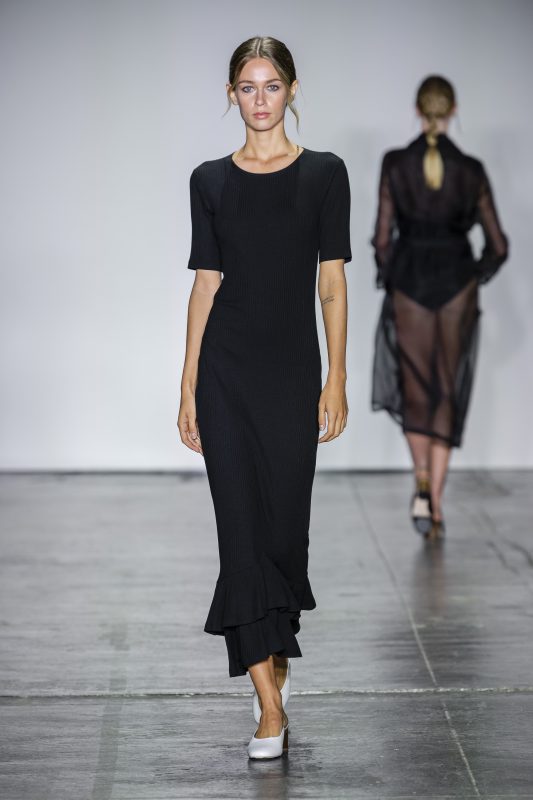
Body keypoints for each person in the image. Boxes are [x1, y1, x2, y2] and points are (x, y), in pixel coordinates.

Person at [177, 36, 351, 759]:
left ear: (291, 89)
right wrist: (187, 383)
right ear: (231, 94)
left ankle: (274, 659)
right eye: (246, 87)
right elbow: (205, 283)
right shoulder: (209, 180)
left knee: (284, 535)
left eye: (270, 85)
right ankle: (268, 708)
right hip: (226, 376)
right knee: (241, 536)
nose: (259, 99)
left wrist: (336, 377)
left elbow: (332, 280)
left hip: (290, 377)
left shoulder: (324, 174)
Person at [371, 75, 509, 541]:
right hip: (455, 288)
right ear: (453, 111)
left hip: (409, 285)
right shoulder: (471, 171)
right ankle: (438, 507)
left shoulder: (395, 164)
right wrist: (473, 275)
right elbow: (498, 246)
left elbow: (382, 237)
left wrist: (392, 275)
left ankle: (421, 481)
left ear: (417, 110)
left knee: (415, 389)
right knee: (445, 391)